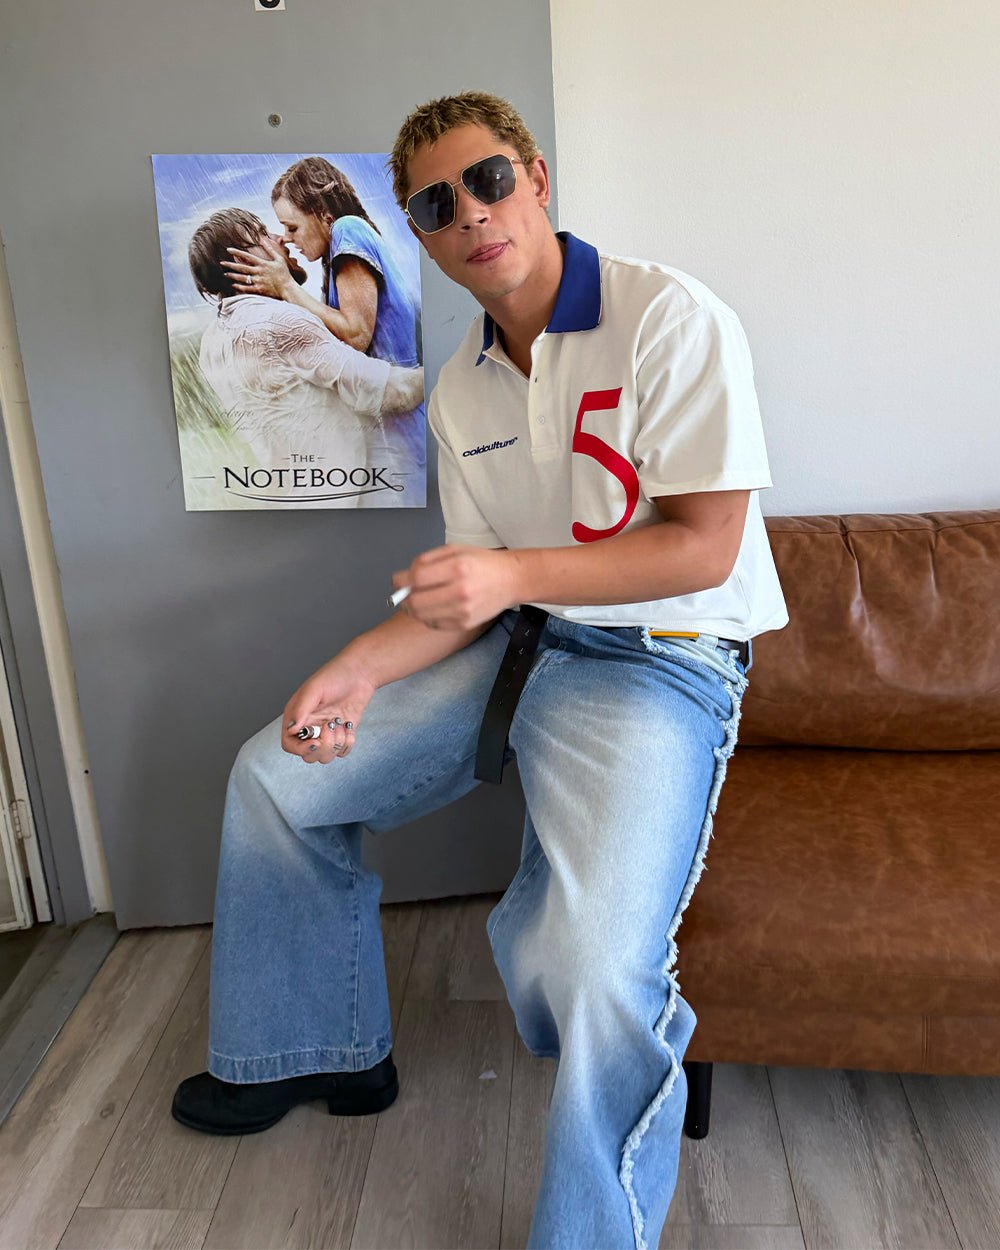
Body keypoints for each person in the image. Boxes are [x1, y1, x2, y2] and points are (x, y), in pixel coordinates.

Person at [173, 92, 788, 1250]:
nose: (469, 214)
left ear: (535, 178)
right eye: (433, 204)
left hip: (661, 660)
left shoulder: (666, 316)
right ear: (414, 228)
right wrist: (354, 669)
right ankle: (315, 1048)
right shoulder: (459, 385)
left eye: (489, 180)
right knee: (275, 776)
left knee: (595, 965)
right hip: (521, 640)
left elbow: (704, 546)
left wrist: (511, 578)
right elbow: (470, 593)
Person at [189, 208, 423, 507]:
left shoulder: (211, 342)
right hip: (342, 505)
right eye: (262, 234)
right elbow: (391, 392)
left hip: (292, 506)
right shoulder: (280, 321)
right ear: (242, 261)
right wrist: (439, 371)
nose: (280, 238)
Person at [222, 157, 424, 476]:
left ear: (323, 214)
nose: (287, 238)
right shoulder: (335, 255)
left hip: (400, 423)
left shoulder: (347, 229)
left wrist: (287, 287)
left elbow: (356, 335)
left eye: (292, 227)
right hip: (388, 419)